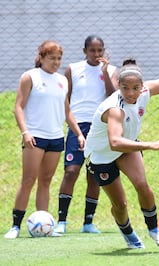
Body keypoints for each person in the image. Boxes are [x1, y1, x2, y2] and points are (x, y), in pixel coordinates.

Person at [84, 58, 159, 248]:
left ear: (142, 86)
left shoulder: (144, 92)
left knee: (142, 184)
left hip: (127, 148)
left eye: (135, 88)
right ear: (118, 85)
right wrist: (151, 145)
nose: (131, 93)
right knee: (120, 205)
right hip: (102, 155)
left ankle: (153, 229)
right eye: (125, 87)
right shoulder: (115, 109)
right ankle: (128, 234)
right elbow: (115, 142)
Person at [4, 40, 85, 239]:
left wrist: (79, 133)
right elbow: (18, 107)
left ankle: (44, 227)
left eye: (59, 58)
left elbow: (66, 110)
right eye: (52, 58)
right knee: (28, 180)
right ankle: (15, 226)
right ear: (41, 58)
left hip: (56, 138)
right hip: (35, 136)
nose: (56, 62)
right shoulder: (29, 76)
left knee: (46, 181)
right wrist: (25, 132)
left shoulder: (62, 80)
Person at [54, 35, 118, 235]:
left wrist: (105, 72)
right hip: (78, 125)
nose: (97, 54)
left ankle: (88, 222)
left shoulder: (112, 70)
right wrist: (73, 126)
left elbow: (113, 96)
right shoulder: (72, 69)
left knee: (94, 174)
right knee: (71, 171)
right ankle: (62, 221)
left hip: (99, 125)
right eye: (93, 50)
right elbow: (66, 100)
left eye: (100, 51)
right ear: (85, 51)